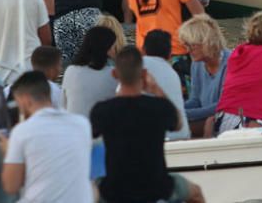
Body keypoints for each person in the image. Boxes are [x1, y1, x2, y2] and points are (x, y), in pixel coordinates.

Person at [90, 46, 205, 203]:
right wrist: (155, 88)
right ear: (144, 74)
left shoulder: (102, 110)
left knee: (89, 192)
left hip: (114, 190)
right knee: (196, 193)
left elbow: (89, 136)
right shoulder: (159, 107)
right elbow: (179, 124)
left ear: (114, 74)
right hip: (158, 187)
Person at [1, 71, 93, 203]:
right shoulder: (82, 124)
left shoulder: (22, 131)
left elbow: (11, 187)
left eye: (17, 102)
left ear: (25, 99)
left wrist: (8, 152)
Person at [178, 14, 230, 138]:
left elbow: (222, 105)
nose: (188, 50)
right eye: (186, 45)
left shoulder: (230, 63)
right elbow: (195, 100)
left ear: (207, 42)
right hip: (206, 117)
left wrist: (182, 114)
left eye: (192, 45)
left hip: (225, 117)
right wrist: (175, 108)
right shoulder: (197, 64)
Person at [61, 26, 118, 117]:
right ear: (107, 48)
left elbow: (64, 104)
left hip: (74, 125)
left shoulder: (71, 70)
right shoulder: (113, 74)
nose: (115, 50)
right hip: (99, 127)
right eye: (113, 46)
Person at [143, 30, 190, 140]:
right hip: (181, 135)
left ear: (143, 50)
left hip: (153, 140)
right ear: (170, 54)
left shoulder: (138, 65)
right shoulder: (174, 74)